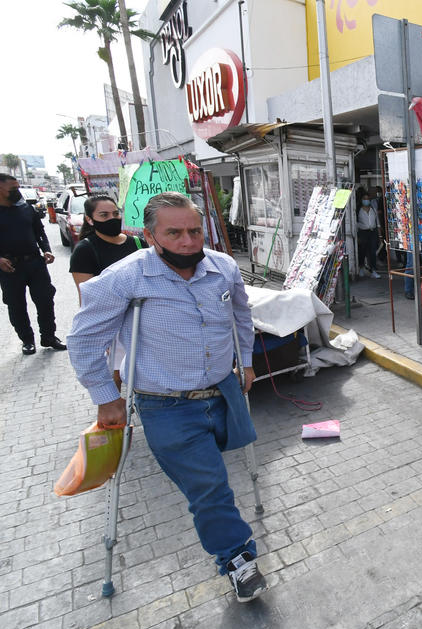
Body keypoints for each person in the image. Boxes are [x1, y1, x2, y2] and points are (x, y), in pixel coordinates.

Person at [67, 192, 267, 602]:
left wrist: (246, 362)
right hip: (166, 405)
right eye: (174, 233)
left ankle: (227, 537)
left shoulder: (224, 268)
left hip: (223, 392)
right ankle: (236, 557)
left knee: (219, 472)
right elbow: (84, 339)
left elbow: (241, 316)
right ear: (149, 235)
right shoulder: (126, 277)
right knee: (210, 486)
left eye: (195, 231)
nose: (188, 241)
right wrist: (105, 396)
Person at [0, 173, 65, 355]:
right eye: (13, 189)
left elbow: (40, 232)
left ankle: (49, 337)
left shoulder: (26, 209)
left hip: (35, 263)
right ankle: (27, 340)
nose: (17, 192)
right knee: (16, 305)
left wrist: (46, 249)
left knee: (45, 300)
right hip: (10, 268)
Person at [69, 195, 145, 299]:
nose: (112, 218)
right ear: (89, 219)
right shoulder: (84, 251)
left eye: (116, 214)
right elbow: (87, 298)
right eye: (104, 215)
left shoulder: (138, 243)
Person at [355, 189, 381, 279]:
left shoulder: (373, 209)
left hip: (372, 231)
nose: (366, 200)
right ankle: (361, 267)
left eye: (367, 199)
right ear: (362, 200)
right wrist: (357, 235)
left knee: (372, 251)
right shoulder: (358, 210)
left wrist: (379, 234)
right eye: (364, 199)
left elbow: (377, 221)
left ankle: (373, 270)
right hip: (363, 232)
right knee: (362, 250)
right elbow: (355, 223)